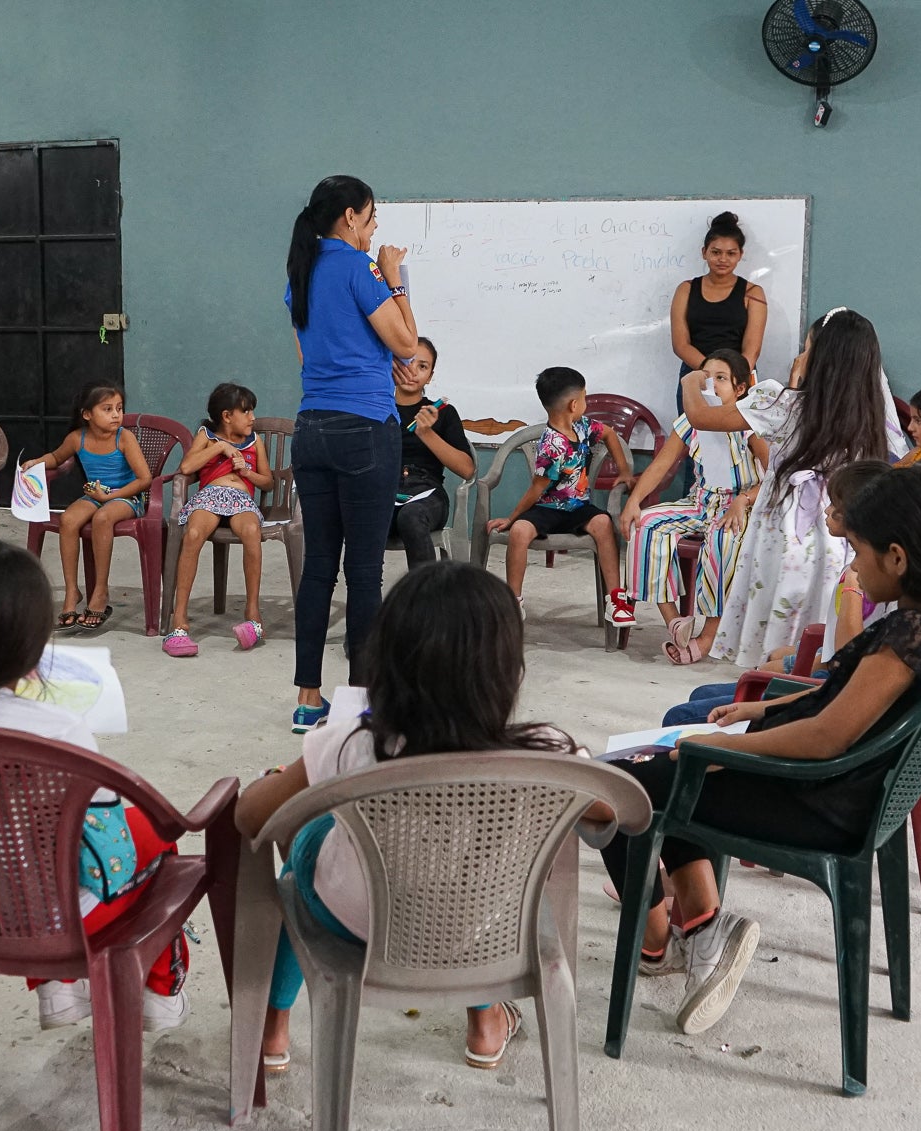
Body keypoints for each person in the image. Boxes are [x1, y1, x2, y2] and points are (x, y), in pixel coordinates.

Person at [599, 465, 921, 1032]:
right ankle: (700, 930)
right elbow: (844, 702)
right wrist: (761, 711)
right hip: (841, 785)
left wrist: (720, 746)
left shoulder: (913, 634)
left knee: (624, 790)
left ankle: (662, 945)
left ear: (896, 557)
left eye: (859, 553)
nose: (855, 567)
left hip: (820, 799)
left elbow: (827, 737)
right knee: (666, 770)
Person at [236, 559, 606, 1072]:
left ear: (386, 664)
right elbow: (615, 810)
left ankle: (273, 1028)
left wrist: (290, 781)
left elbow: (252, 817)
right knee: (469, 872)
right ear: (508, 672)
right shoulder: (548, 753)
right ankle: (485, 1022)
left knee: (304, 845)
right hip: (488, 933)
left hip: (355, 922)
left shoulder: (348, 745)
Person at [0, 539, 191, 1032]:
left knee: (16, 854)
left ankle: (57, 990)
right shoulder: (60, 732)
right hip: (60, 923)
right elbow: (104, 824)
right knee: (155, 839)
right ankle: (160, 993)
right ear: (34, 647)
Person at [679, 308, 909, 668]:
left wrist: (691, 382)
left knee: (780, 610)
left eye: (806, 348)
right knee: (824, 609)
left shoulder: (782, 403)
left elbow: (701, 416)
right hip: (841, 531)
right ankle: (810, 670)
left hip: (785, 532)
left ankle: (774, 673)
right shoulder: (873, 417)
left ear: (820, 359)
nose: (800, 355)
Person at [285, 175, 424, 734]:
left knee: (319, 565)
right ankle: (362, 702)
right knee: (364, 571)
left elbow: (310, 354)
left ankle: (307, 698)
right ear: (348, 217)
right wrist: (396, 281)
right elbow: (409, 344)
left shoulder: (300, 269)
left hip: (311, 429)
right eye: (370, 220)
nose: (372, 231)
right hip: (365, 429)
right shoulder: (357, 267)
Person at [654, 458, 889, 727]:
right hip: (828, 672)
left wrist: (851, 586)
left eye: (835, 505)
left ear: (859, 515)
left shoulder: (864, 578)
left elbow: (848, 657)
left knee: (680, 716)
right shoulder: (861, 566)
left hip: (830, 688)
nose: (827, 510)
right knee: (702, 693)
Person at [612, 349, 768, 663]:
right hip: (699, 503)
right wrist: (634, 502)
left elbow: (776, 473)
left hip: (739, 507)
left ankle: (708, 636)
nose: (711, 385)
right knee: (645, 525)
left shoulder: (749, 423)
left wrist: (744, 499)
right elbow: (660, 465)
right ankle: (674, 621)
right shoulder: (691, 422)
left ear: (740, 389)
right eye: (706, 378)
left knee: (723, 541)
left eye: (721, 379)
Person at [484, 366, 633, 620]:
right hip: (546, 510)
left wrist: (624, 470)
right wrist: (512, 519)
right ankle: (514, 599)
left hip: (578, 508)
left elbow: (609, 434)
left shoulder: (584, 426)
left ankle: (616, 599)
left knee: (603, 523)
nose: (586, 402)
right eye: (585, 397)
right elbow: (536, 489)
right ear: (574, 405)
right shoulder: (551, 445)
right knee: (520, 531)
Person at [23, 382, 155, 634]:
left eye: (119, 408)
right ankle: (72, 590)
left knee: (103, 518)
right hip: (95, 495)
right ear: (87, 414)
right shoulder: (77, 438)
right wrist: (39, 461)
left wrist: (111, 496)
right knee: (69, 519)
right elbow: (56, 457)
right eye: (107, 409)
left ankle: (101, 591)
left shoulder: (124, 437)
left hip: (125, 498)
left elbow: (144, 479)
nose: (116, 414)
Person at [164, 383, 273, 657]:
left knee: (250, 531)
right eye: (246, 412)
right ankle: (179, 620)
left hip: (241, 500)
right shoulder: (206, 436)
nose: (252, 418)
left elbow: (268, 483)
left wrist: (247, 473)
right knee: (193, 534)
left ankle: (253, 615)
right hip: (209, 497)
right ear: (226, 416)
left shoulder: (255, 441)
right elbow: (187, 468)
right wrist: (219, 448)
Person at [391, 337, 475, 569]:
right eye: (406, 362)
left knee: (411, 516)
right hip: (384, 489)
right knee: (363, 517)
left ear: (431, 375)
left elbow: (467, 469)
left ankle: (426, 599)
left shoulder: (444, 413)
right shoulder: (376, 407)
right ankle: (369, 600)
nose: (413, 372)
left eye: (422, 366)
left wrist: (426, 433)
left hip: (427, 494)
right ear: (392, 364)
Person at [670, 211, 770, 384]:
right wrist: (711, 375)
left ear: (740, 255)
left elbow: (752, 350)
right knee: (694, 413)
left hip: (737, 377)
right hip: (696, 374)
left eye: (731, 253)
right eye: (716, 252)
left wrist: (730, 379)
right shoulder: (685, 290)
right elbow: (680, 345)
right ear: (704, 252)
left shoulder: (753, 293)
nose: (723, 259)